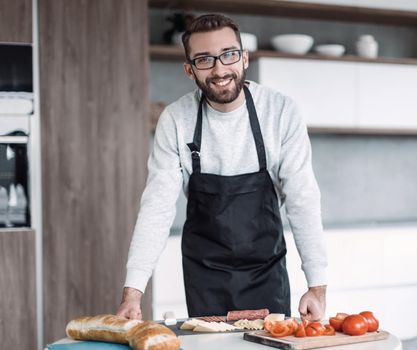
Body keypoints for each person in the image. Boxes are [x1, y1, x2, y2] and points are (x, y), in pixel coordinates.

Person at [116, 13, 327, 321]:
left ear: (244, 59)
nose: (219, 69)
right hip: (205, 274)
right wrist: (132, 292)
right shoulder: (176, 120)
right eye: (204, 60)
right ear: (190, 70)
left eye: (228, 55)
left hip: (265, 270)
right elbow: (157, 207)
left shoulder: (280, 112)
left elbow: (302, 198)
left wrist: (317, 285)